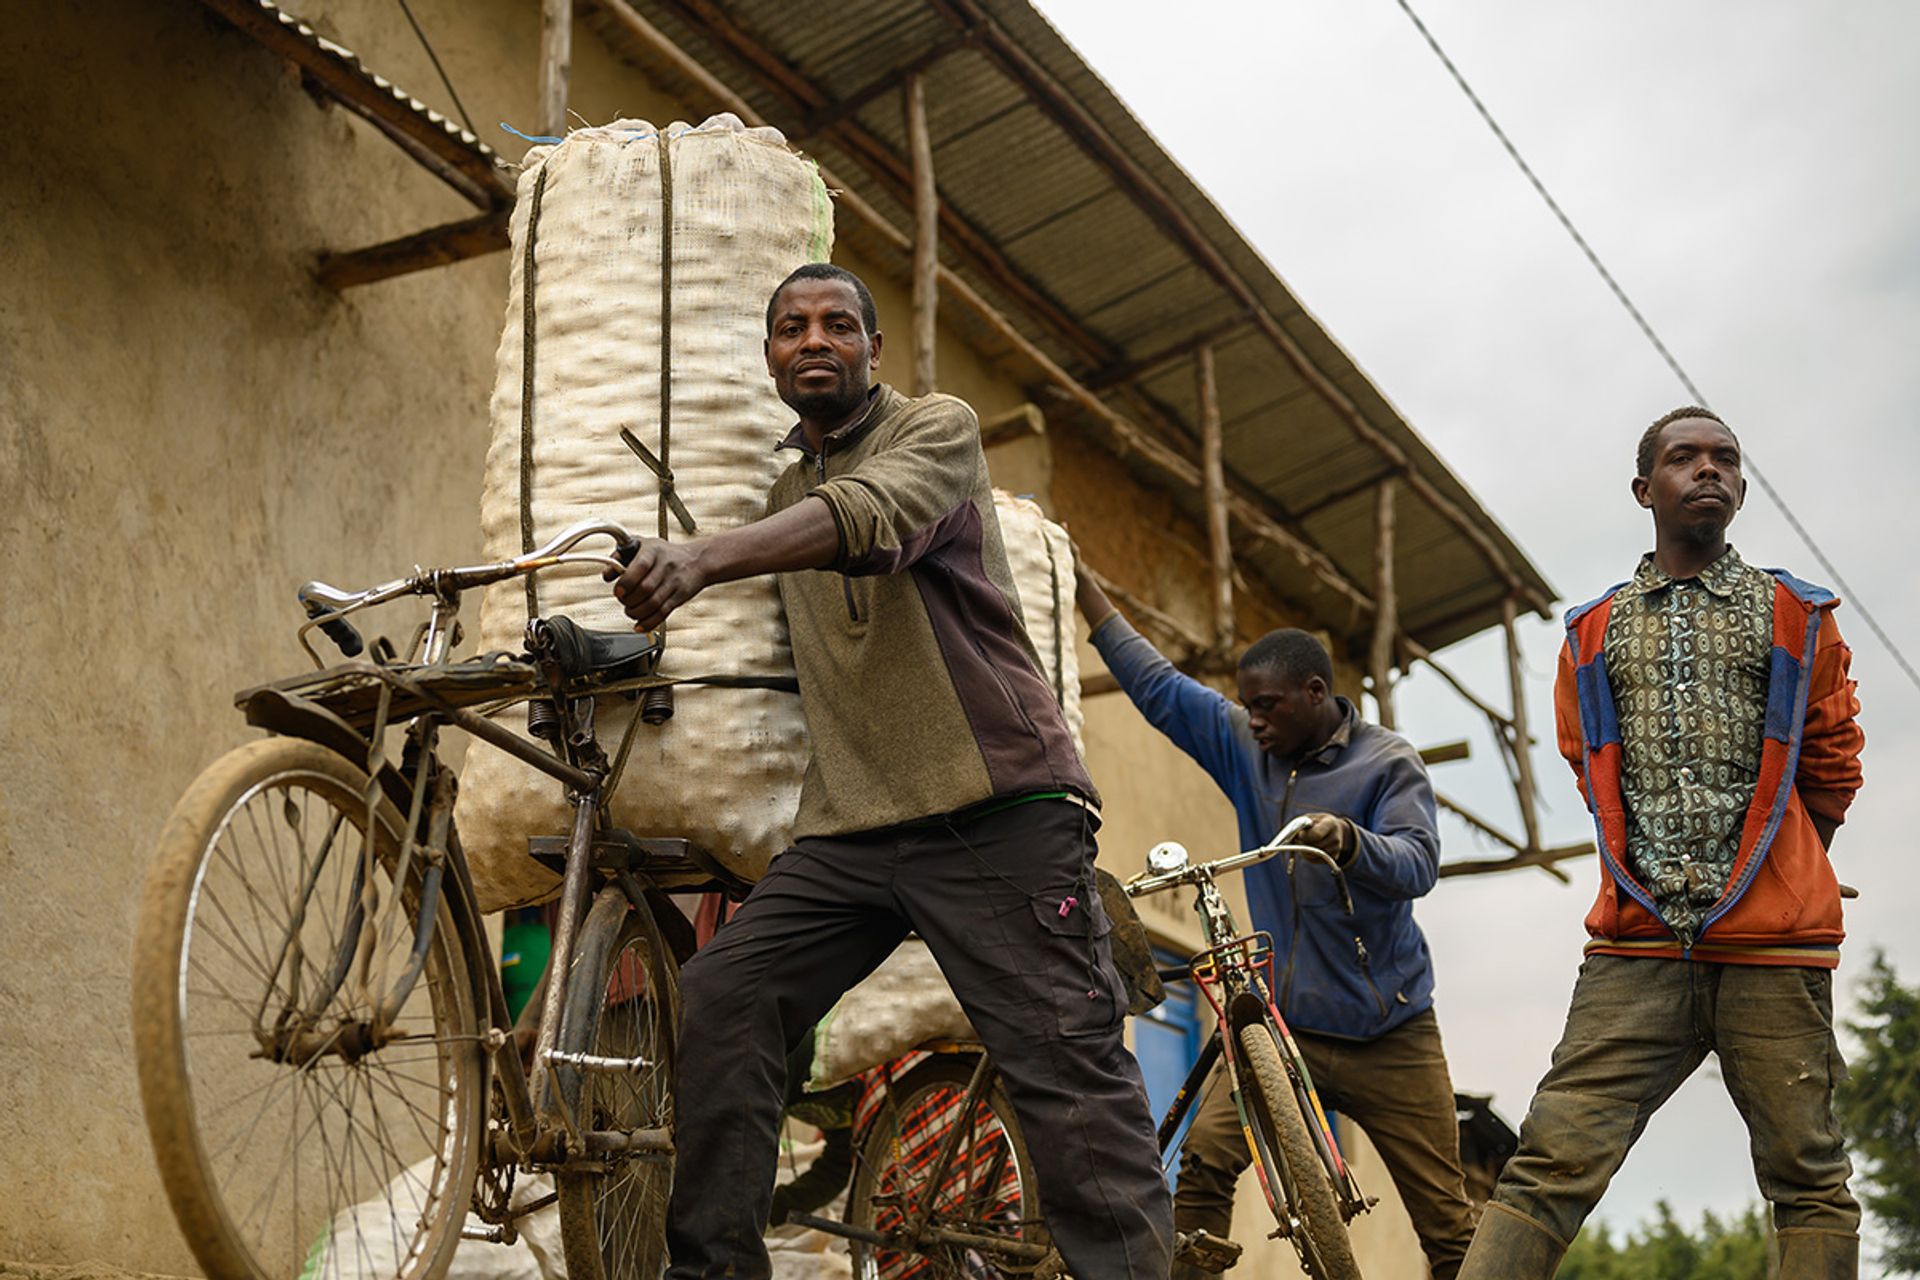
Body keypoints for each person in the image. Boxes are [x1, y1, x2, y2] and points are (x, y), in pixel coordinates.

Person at [611, 262, 1173, 1280]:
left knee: (1065, 1075)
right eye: (791, 327)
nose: (813, 338)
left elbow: (870, 518)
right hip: (854, 834)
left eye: (837, 324)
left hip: (999, 811)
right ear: (771, 357)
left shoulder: (938, 430)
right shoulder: (786, 491)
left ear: (874, 351)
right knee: (727, 992)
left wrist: (698, 558)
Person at [1458, 407, 1865, 1278]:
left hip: (1772, 953)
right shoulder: (1594, 632)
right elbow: (1588, 762)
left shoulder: (1798, 613)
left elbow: (1832, 758)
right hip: (1635, 950)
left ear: (1743, 489)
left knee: (1809, 1178)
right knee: (1546, 1168)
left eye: (1725, 459)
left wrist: (1795, 862)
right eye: (1686, 458)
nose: (1708, 470)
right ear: (1647, 489)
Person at [1076, 571, 1478, 1279]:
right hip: (1280, 1032)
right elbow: (1161, 688)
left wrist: (1350, 841)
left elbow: (1418, 863)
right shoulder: (1247, 749)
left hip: (1393, 1033)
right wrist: (1084, 590)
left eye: (1267, 706)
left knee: (1448, 1224)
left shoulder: (1387, 764)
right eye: (1247, 707)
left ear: (1316, 695)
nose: (1254, 720)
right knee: (1204, 1158)